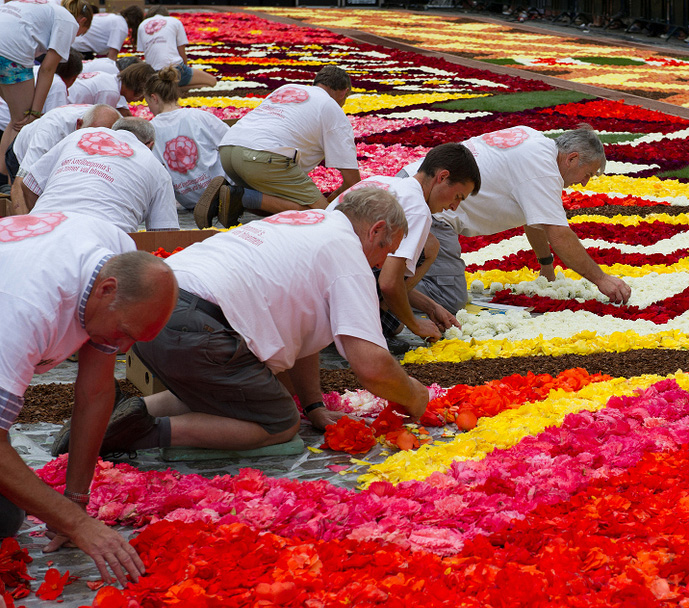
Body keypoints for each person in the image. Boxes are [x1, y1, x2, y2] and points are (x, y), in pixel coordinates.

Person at [70, 186, 429, 457]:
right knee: (279, 422)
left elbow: (304, 332)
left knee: (233, 398)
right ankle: (139, 432)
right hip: (199, 328)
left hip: (149, 314)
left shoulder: (307, 222)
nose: (381, 263)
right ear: (375, 230)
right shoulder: (347, 253)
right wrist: (415, 396)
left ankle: (114, 415)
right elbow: (371, 366)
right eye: (386, 249)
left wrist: (315, 405)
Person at [0, 211, 177, 608]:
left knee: (13, 510)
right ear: (106, 290)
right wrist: (80, 527)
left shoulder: (115, 256)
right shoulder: (27, 309)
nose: (126, 349)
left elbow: (96, 391)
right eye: (127, 332)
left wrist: (75, 501)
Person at [404, 125, 632, 314]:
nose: (584, 182)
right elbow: (559, 233)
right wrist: (602, 279)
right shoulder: (543, 169)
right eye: (587, 174)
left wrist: (546, 268)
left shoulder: (535, 142)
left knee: (434, 285)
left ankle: (387, 281)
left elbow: (535, 219)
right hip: (429, 202)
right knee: (449, 299)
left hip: (412, 186)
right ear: (572, 159)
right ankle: (382, 290)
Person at [332, 143, 481, 352]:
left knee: (429, 246)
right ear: (442, 177)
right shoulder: (418, 209)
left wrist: (431, 306)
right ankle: (367, 324)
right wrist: (415, 324)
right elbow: (389, 283)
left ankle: (369, 318)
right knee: (429, 250)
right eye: (458, 197)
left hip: (318, 270)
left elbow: (387, 276)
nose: (454, 207)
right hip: (333, 290)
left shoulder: (382, 182)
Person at [201, 65, 360, 225]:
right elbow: (352, 182)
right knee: (321, 217)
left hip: (229, 151)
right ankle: (240, 197)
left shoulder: (288, 88)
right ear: (344, 92)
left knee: (279, 202)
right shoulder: (331, 107)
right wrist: (328, 202)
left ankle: (231, 199)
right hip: (261, 158)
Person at [13, 116, 178, 232]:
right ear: (150, 145)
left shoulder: (78, 136)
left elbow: (29, 185)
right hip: (104, 241)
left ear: (113, 130)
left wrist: (41, 215)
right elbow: (164, 234)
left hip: (43, 227)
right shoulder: (157, 167)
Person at [0, 0, 93, 179]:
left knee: (15, 121)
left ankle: (3, 177)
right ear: (81, 21)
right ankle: (10, 182)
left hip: (6, 47)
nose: (76, 37)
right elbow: (47, 69)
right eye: (81, 34)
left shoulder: (49, 10)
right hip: (11, 53)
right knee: (23, 124)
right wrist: (35, 113)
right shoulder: (69, 22)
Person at [144, 66, 230, 225]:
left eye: (148, 102)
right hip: (224, 191)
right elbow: (231, 141)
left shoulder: (151, 130)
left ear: (154, 98)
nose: (148, 108)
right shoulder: (198, 116)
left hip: (191, 202)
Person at [6, 103, 119, 206]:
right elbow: (19, 187)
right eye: (91, 139)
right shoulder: (49, 132)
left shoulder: (118, 128)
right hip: (22, 152)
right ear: (79, 125)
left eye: (104, 142)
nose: (95, 147)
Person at [0, 52, 84, 187]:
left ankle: (4, 179)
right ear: (73, 77)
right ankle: (10, 186)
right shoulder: (57, 83)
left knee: (16, 123)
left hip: (6, 121)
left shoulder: (35, 70)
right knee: (21, 127)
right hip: (16, 129)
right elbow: (54, 121)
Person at [136, 6, 215, 91]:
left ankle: (164, 87)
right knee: (212, 82)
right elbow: (181, 51)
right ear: (166, 14)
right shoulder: (174, 21)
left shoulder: (142, 25)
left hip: (153, 74)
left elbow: (146, 53)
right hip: (174, 70)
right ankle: (174, 89)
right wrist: (184, 72)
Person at [68, 61, 153, 117]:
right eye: (142, 96)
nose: (141, 100)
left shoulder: (109, 79)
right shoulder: (111, 91)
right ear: (137, 88)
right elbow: (101, 124)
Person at [71, 5, 142, 61]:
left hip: (74, 43)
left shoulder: (113, 18)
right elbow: (112, 56)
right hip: (80, 50)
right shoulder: (121, 25)